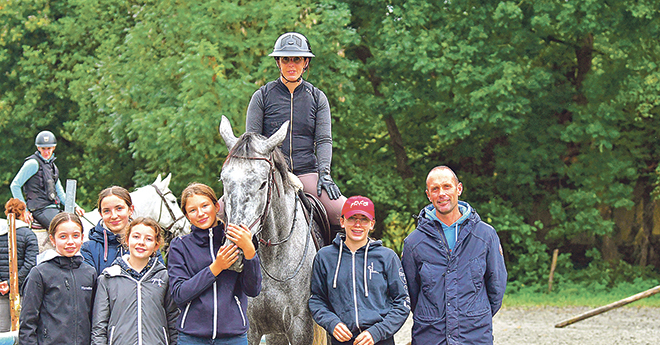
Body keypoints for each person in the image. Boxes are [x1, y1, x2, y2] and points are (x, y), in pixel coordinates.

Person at [246, 32, 347, 228]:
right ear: (278, 62)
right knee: (222, 210)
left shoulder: (317, 98)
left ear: (306, 62)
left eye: (297, 59)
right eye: (286, 59)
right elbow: (252, 142)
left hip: (306, 173)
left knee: (343, 212)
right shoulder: (261, 96)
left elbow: (324, 140)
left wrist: (324, 174)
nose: (291, 65)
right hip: (270, 174)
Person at [401, 166, 508, 345]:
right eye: (435, 189)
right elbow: (412, 294)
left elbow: (496, 287)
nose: (441, 193)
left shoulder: (485, 235)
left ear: (458, 189)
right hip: (430, 336)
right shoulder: (414, 243)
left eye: (446, 186)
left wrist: (474, 317)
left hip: (474, 336)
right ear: (428, 195)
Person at [167, 183, 261, 344]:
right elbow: (179, 294)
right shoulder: (179, 245)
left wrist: (250, 252)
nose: (200, 213)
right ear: (187, 215)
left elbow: (253, 290)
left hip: (233, 337)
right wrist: (216, 268)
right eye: (192, 210)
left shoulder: (236, 241)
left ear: (216, 206)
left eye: (205, 206)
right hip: (192, 338)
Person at [309, 196, 410, 345]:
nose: (357, 224)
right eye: (352, 218)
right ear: (342, 222)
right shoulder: (324, 257)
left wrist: (378, 332)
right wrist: (332, 323)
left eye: (364, 219)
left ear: (372, 224)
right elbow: (316, 300)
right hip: (341, 340)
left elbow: (402, 302)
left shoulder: (387, 257)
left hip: (380, 340)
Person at [91, 217, 178, 345]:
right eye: (136, 237)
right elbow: (99, 327)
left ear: (156, 245)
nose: (141, 242)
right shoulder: (108, 278)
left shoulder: (165, 278)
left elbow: (173, 321)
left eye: (148, 239)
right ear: (127, 240)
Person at [19, 212, 97, 345]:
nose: (70, 242)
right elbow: (27, 323)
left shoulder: (90, 273)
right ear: (52, 239)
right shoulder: (39, 273)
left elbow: (95, 319)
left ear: (82, 237)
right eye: (63, 236)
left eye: (75, 236)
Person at [81, 186, 163, 276]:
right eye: (107, 211)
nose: (114, 216)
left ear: (130, 210)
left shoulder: (146, 245)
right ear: (101, 214)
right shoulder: (89, 248)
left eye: (119, 208)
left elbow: (159, 282)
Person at [9, 130, 84, 228]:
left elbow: (61, 194)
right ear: (38, 148)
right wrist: (25, 211)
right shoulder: (33, 163)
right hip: (39, 209)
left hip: (53, 208)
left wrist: (75, 206)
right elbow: (15, 185)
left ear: (54, 148)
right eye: (43, 149)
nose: (46, 152)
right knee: (62, 228)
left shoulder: (53, 166)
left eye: (49, 148)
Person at [0, 198, 39, 332]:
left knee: (2, 332)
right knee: (22, 331)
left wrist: (3, 283)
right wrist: (12, 284)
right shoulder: (29, 235)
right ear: (23, 213)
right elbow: (31, 264)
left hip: (1, 290)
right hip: (22, 291)